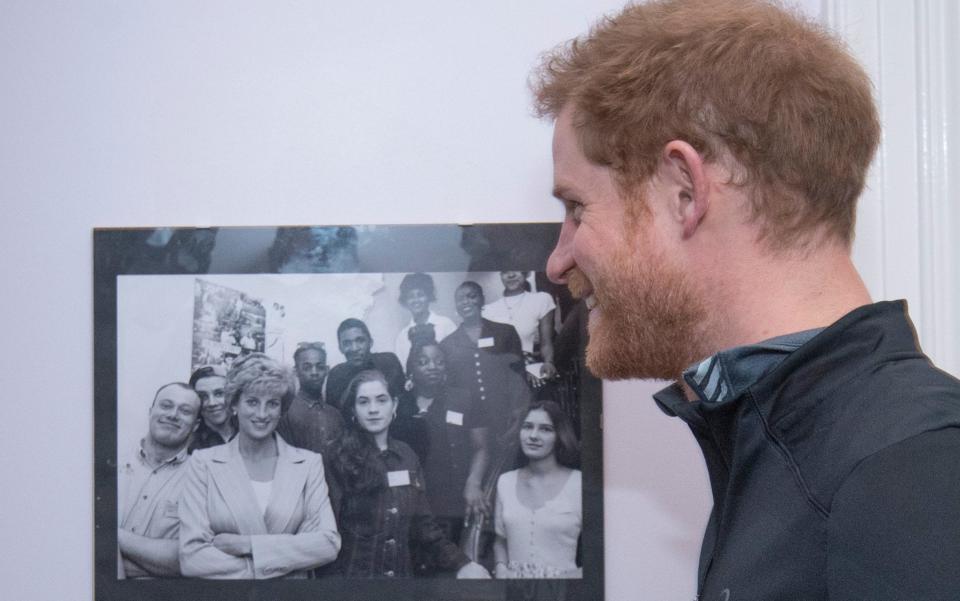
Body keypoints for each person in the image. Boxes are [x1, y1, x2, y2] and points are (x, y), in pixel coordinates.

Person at [535, 0, 960, 599]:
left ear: (685, 190)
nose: (559, 261)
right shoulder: (781, 442)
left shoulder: (909, 474)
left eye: (577, 207)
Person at [179, 353, 340, 579]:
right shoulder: (203, 463)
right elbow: (192, 559)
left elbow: (328, 544)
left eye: (272, 403)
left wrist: (249, 545)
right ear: (234, 403)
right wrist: (286, 564)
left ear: (282, 408)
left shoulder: (307, 463)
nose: (262, 414)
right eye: (252, 402)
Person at [325, 369, 489, 579]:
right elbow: (328, 535)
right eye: (363, 402)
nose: (373, 409)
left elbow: (424, 526)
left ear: (394, 405)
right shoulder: (336, 457)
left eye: (381, 400)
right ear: (353, 410)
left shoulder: (406, 455)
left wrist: (463, 564)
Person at [391, 339, 489, 558]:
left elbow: (481, 448)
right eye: (423, 362)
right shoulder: (397, 405)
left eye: (438, 361)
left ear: (446, 367)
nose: (432, 367)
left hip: (452, 500)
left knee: (451, 559)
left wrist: (474, 483)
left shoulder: (464, 399)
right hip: (411, 501)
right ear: (411, 369)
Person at [440, 282, 532, 461]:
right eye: (460, 299)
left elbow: (518, 377)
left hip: (504, 415)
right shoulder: (447, 344)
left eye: (471, 296)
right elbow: (450, 390)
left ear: (482, 299)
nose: (465, 302)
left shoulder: (505, 332)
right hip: (470, 423)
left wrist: (519, 414)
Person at [118, 382, 201, 578]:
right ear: (151, 411)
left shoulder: (201, 478)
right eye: (166, 405)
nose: (173, 415)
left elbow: (189, 559)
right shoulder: (111, 462)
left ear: (195, 425)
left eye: (185, 411)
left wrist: (111, 536)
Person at [493, 401, 581, 579]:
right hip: (515, 591)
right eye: (527, 427)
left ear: (559, 436)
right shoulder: (505, 482)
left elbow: (600, 555)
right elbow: (500, 540)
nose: (533, 435)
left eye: (545, 429)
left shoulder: (578, 483)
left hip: (563, 592)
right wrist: (501, 567)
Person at [482, 271, 557, 383]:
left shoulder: (541, 300)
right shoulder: (487, 310)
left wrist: (548, 362)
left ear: (526, 273)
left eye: (516, 269)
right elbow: (487, 352)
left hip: (531, 367)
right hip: (502, 371)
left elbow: (546, 343)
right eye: (505, 271)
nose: (511, 275)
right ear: (500, 275)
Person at [275, 342, 344, 454]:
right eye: (307, 368)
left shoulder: (336, 415)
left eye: (320, 367)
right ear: (296, 371)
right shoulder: (286, 413)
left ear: (327, 370)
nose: (314, 372)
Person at [325, 318, 405, 410]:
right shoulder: (336, 375)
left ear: (370, 342)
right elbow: (334, 416)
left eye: (360, 341)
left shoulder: (388, 363)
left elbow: (403, 406)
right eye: (347, 343)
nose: (354, 348)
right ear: (340, 348)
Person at [393, 272, 457, 367]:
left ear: (429, 297)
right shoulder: (402, 337)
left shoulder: (445, 325)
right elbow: (403, 369)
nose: (416, 300)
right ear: (405, 301)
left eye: (420, 295)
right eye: (411, 297)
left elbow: (456, 359)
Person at [187, 365, 236, 452]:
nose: (212, 403)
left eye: (219, 393)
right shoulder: (190, 444)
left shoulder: (248, 431)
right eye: (203, 396)